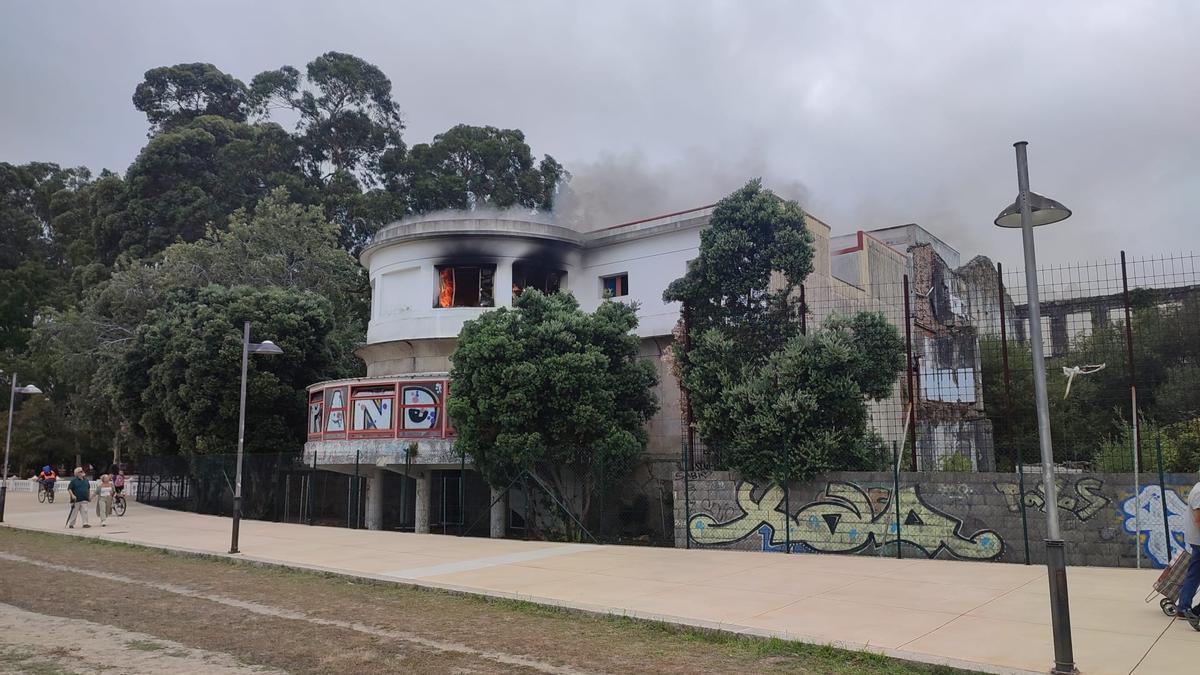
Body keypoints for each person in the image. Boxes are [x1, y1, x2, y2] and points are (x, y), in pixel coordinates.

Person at [1179, 477, 1200, 631]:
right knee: (1194, 574)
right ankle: (1191, 611)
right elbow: (1199, 519)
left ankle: (1184, 608)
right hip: (1199, 540)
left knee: (1194, 574)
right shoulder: (1199, 492)